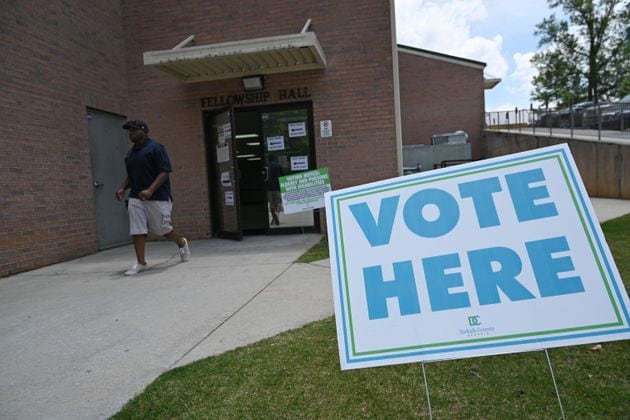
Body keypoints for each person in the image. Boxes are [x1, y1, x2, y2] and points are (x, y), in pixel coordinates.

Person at [115, 120, 190, 275]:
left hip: (158, 197)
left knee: (162, 229)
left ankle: (181, 242)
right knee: (137, 229)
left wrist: (150, 190)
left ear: (144, 131)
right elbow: (131, 176)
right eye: (129, 131)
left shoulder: (156, 148)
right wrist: (123, 187)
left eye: (134, 130)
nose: (131, 133)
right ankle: (141, 262)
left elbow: (164, 171)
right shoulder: (130, 154)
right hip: (136, 196)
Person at [266, 155, 284, 226]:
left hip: (269, 188)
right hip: (277, 188)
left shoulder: (267, 166)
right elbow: (282, 176)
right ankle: (276, 215)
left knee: (271, 204)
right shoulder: (278, 166)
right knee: (278, 203)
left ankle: (274, 217)